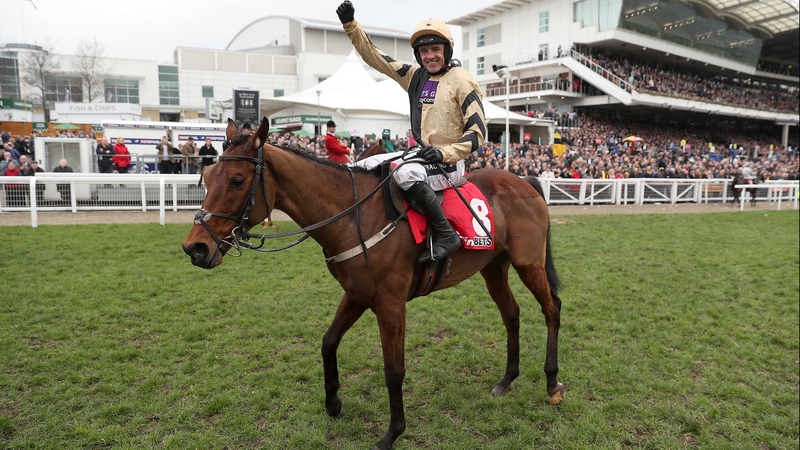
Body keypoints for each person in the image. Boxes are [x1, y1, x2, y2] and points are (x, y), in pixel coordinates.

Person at [337, 1, 486, 262]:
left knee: (405, 174)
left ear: (447, 50)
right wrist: (351, 26)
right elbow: (376, 57)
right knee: (363, 166)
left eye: (435, 49)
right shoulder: (416, 75)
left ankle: (446, 235)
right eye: (424, 51)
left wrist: (443, 154)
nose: (430, 56)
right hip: (420, 155)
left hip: (448, 163)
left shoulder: (463, 79)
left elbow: (477, 132)